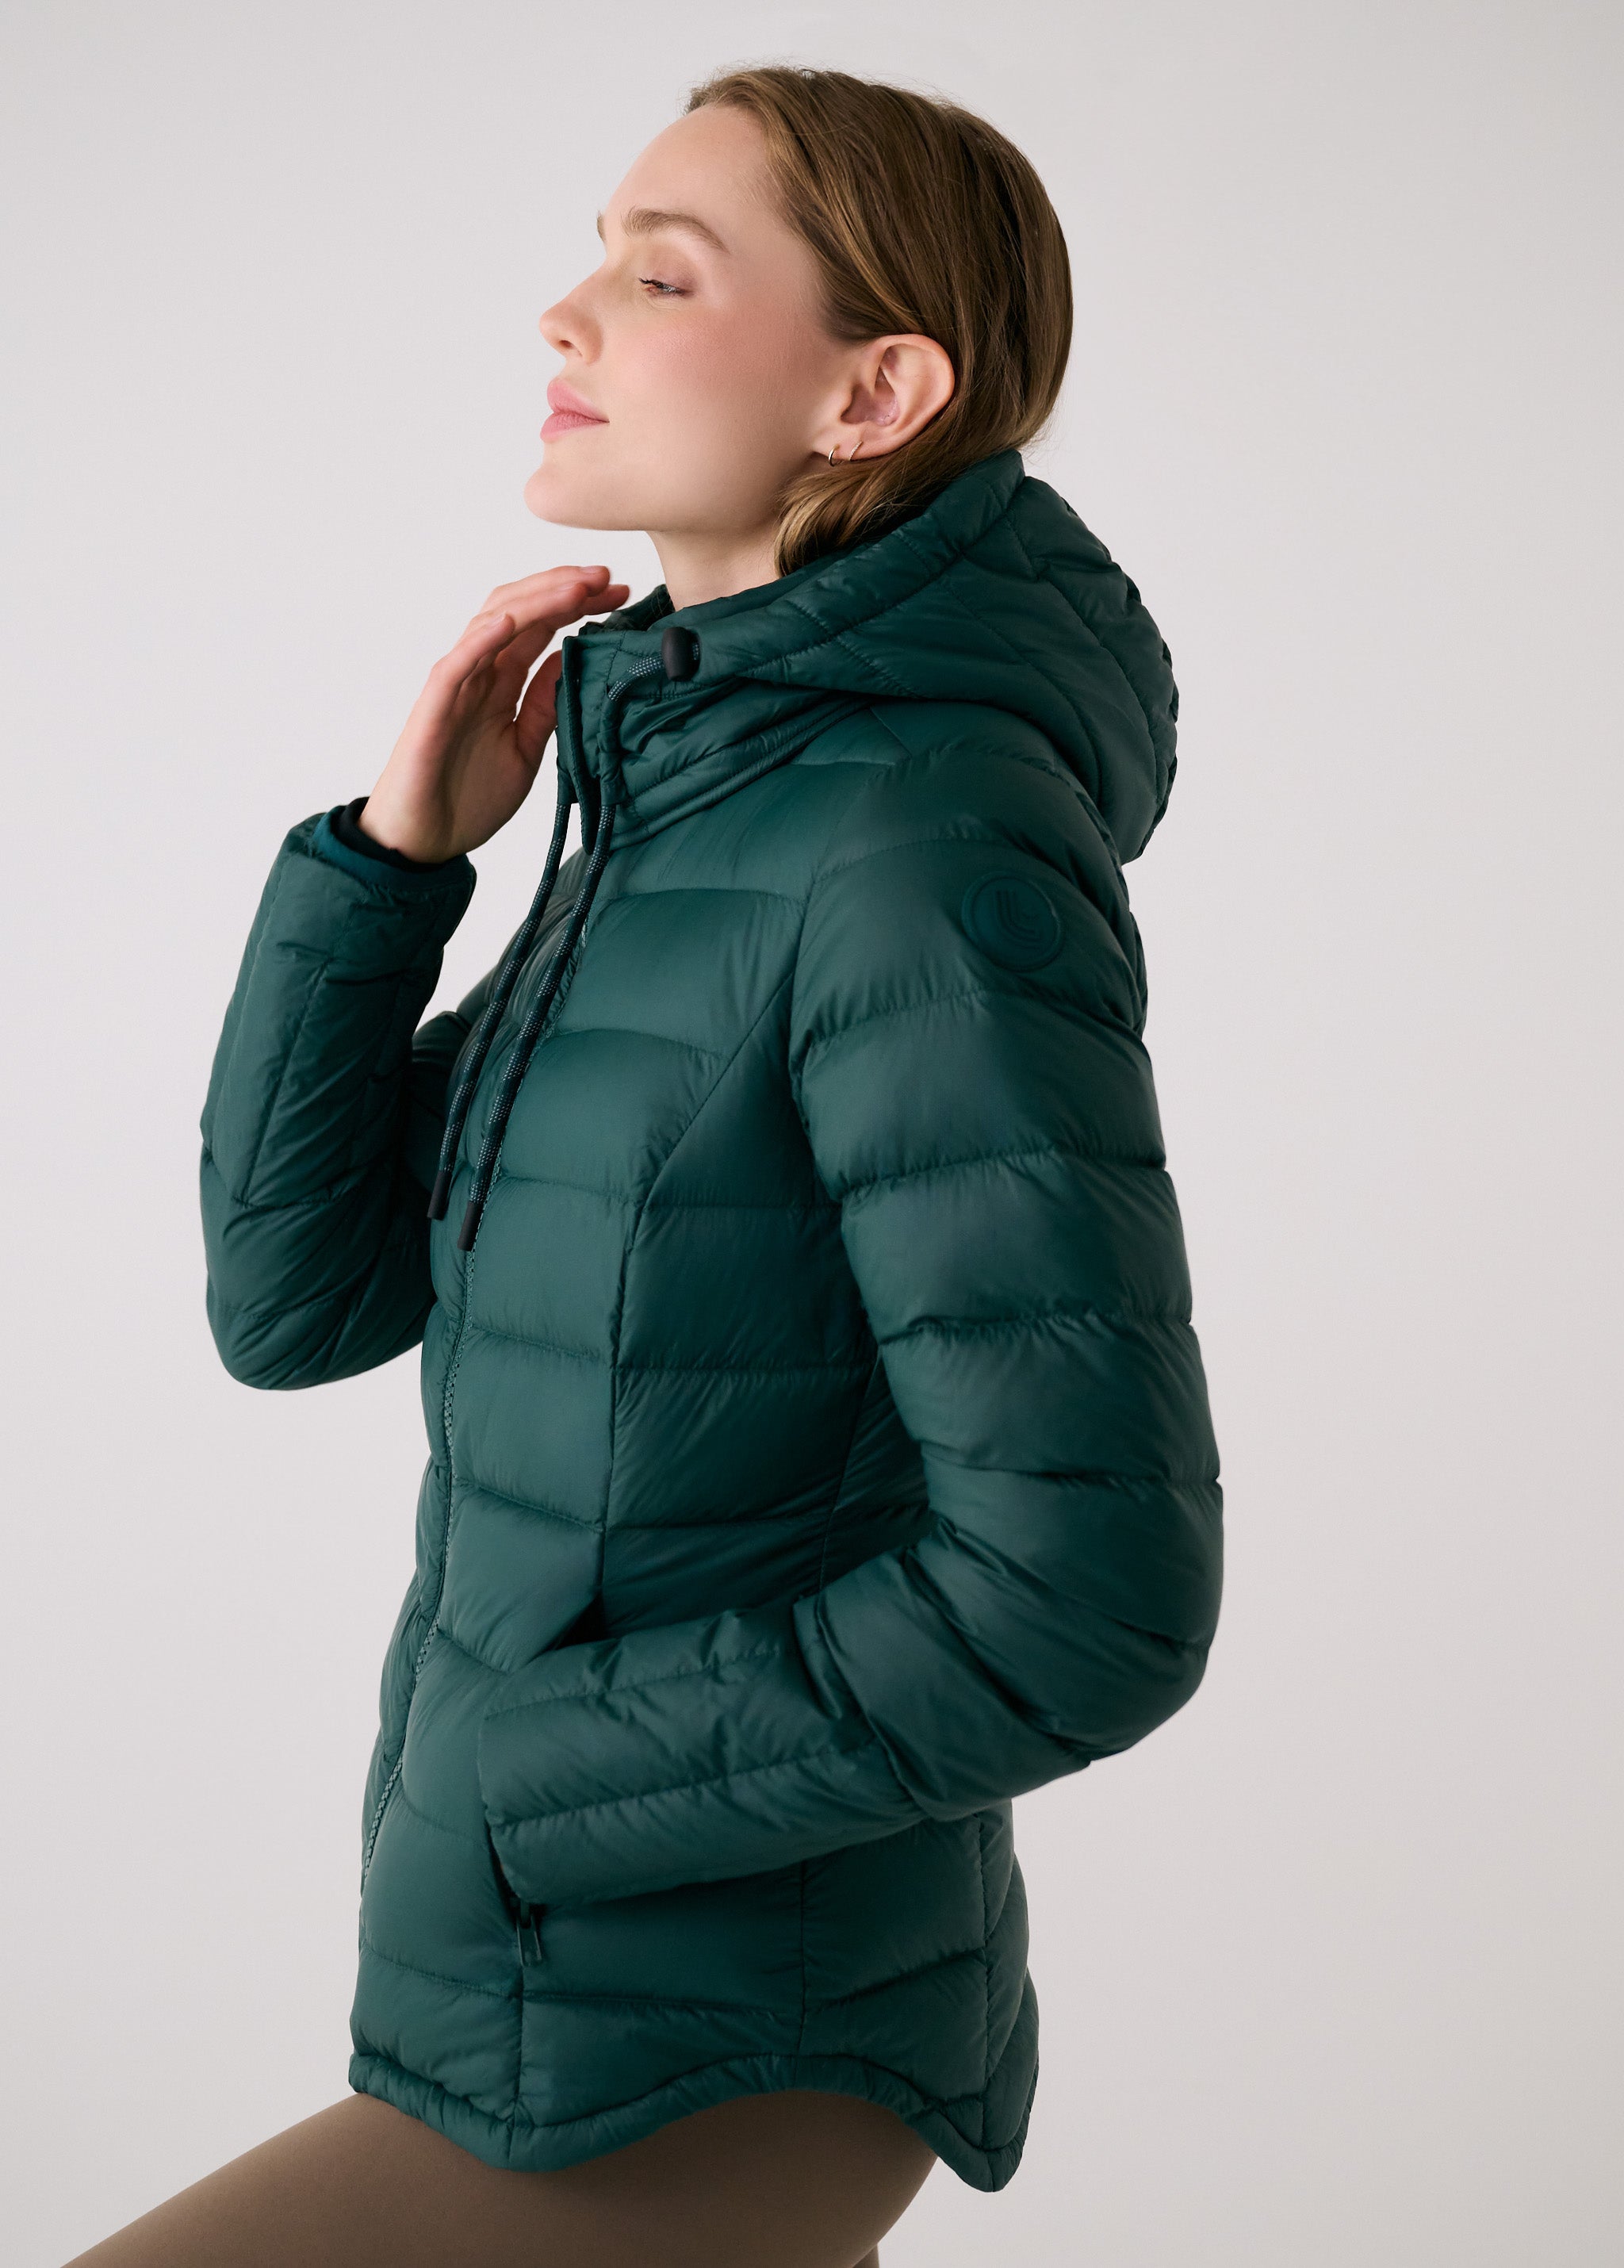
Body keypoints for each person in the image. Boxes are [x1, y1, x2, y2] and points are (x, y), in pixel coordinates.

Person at [71, 63, 1222, 2268]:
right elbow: (292, 1302)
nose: (566, 312)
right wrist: (391, 869)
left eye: (662, 274)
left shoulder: (917, 843)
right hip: (557, 2006)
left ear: (873, 392)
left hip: (721, 2047)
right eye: (596, 251)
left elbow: (1088, 1597)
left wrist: (519, 1789)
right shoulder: (691, 809)